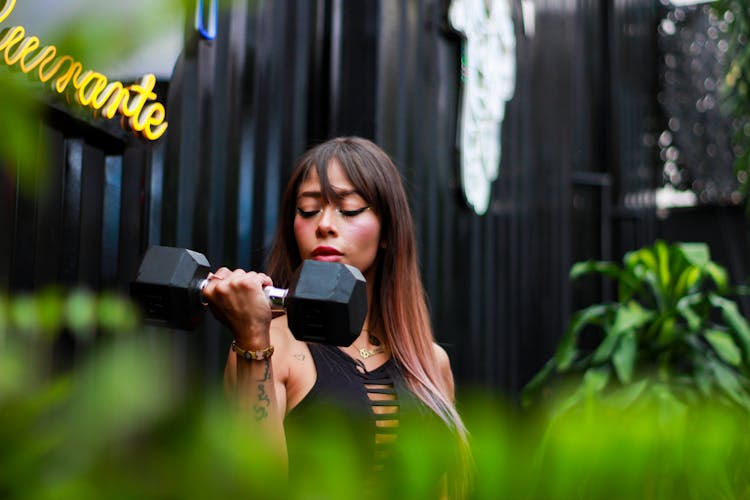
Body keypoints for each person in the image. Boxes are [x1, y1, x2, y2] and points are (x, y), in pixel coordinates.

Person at [202, 136, 472, 498]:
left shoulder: (430, 361)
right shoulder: (270, 346)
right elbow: (255, 488)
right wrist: (252, 336)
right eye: (309, 210)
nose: (325, 225)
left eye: (349, 209)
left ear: (388, 231)